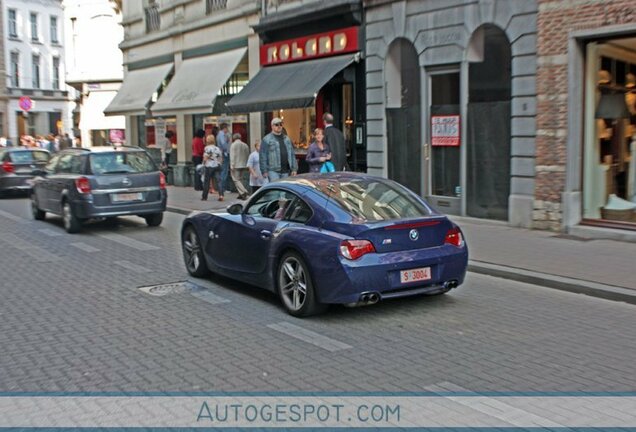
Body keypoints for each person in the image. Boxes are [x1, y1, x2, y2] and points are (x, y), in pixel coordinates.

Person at [260, 117, 297, 182]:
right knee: (276, 190)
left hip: (286, 170)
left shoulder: (287, 139)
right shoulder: (266, 139)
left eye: (281, 124)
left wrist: (294, 169)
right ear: (272, 126)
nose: (279, 126)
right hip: (273, 171)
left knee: (284, 190)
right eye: (277, 124)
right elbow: (263, 156)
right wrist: (264, 170)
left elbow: (292, 154)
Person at [201, 134, 224, 201]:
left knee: (207, 182)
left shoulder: (207, 148)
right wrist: (219, 163)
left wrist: (203, 164)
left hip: (209, 166)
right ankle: (221, 195)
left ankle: (204, 197)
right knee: (219, 181)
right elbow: (221, 158)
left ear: (207, 140)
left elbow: (205, 158)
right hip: (217, 165)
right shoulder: (217, 148)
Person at [230, 133, 251, 200]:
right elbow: (248, 155)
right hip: (244, 164)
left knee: (236, 179)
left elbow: (232, 155)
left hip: (236, 165)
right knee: (240, 179)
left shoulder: (233, 145)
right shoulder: (245, 145)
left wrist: (232, 165)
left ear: (234, 138)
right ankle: (241, 194)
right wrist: (248, 164)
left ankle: (244, 191)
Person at [216, 123, 231, 191]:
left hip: (221, 154)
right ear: (224, 128)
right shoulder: (222, 134)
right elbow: (223, 144)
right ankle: (223, 188)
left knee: (223, 170)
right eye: (227, 128)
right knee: (224, 171)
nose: (228, 130)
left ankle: (221, 187)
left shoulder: (219, 134)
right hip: (224, 154)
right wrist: (227, 145)